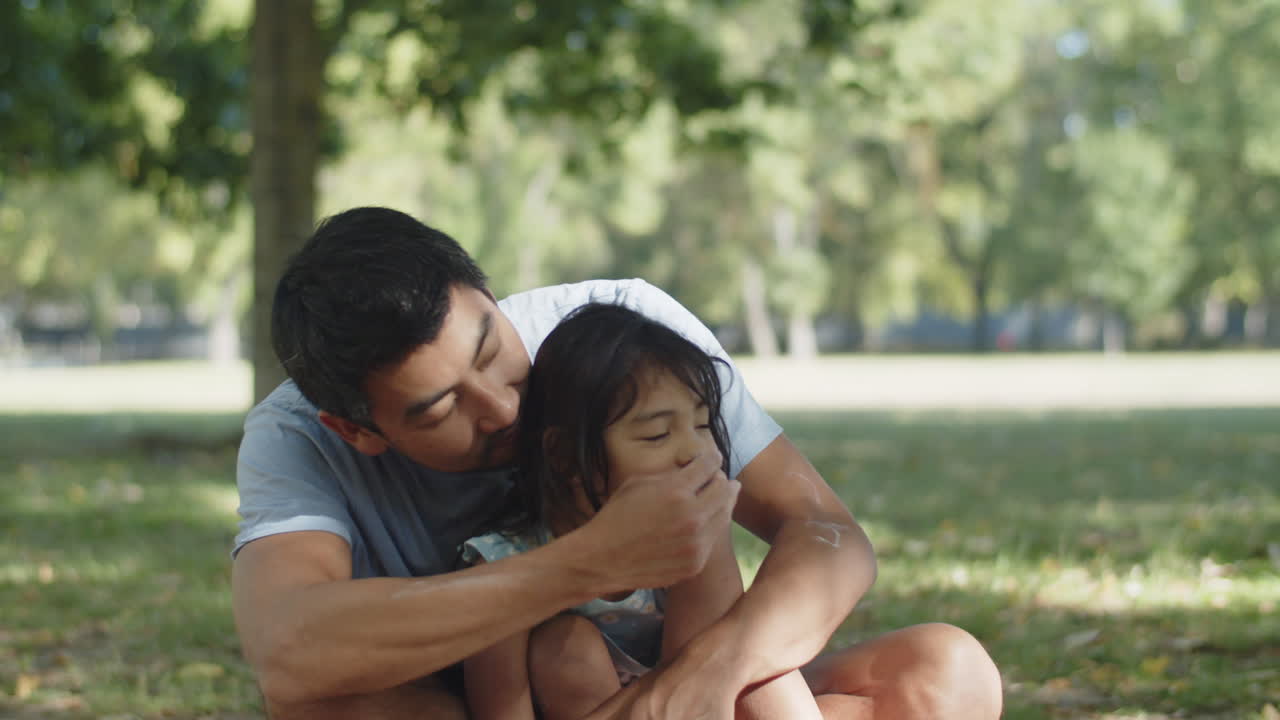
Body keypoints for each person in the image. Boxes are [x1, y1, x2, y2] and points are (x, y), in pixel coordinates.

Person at [231, 206, 1003, 719]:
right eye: (439, 409)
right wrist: (583, 564)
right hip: (495, 701)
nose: (500, 408)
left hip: (696, 683)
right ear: (357, 429)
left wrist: (694, 687)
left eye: (492, 348)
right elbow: (291, 653)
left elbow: (828, 536)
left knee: (948, 674)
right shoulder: (296, 436)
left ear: (488, 294)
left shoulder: (619, 333)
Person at [462, 303, 825, 720]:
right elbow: (500, 709)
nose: (697, 451)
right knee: (566, 645)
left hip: (688, 694)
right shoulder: (502, 565)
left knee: (760, 669)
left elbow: (696, 671)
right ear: (563, 455)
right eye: (657, 434)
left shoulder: (694, 528)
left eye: (704, 425)